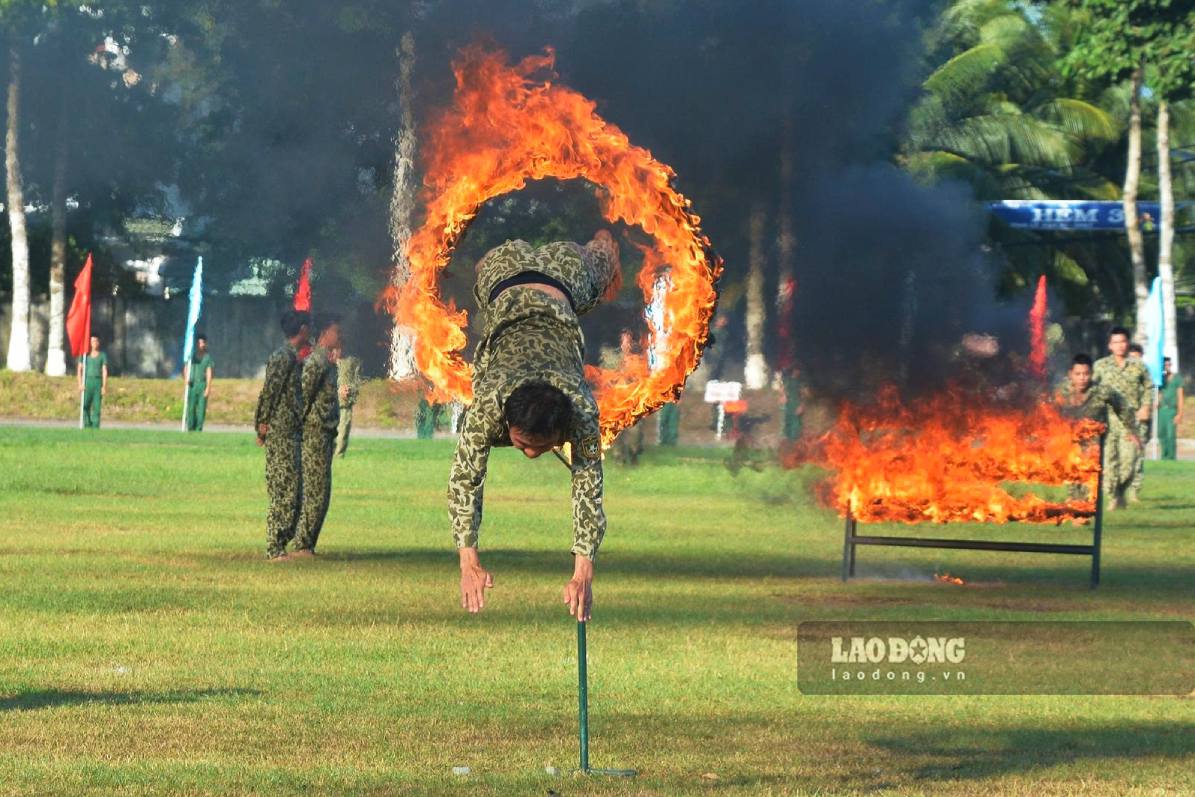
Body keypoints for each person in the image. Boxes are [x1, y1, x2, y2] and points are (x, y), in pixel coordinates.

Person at [451, 231, 621, 622]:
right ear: (506, 420)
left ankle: (602, 241)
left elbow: (588, 486)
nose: (529, 454)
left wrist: (583, 574)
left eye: (540, 447)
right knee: (486, 268)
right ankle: (596, 242)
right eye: (524, 444)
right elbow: (465, 480)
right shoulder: (490, 403)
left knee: (603, 262)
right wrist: (468, 562)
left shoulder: (579, 408)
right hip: (502, 273)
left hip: (567, 276)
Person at [254, 309, 310, 561]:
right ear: (302, 330)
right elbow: (269, 392)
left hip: (291, 431)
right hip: (281, 434)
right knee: (284, 489)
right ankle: (274, 547)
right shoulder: (283, 358)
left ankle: (280, 544)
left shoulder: (291, 357)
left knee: (292, 489)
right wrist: (262, 424)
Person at [1057, 353, 1141, 502]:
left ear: (1092, 374)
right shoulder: (1061, 391)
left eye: (1086, 374)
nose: (1082, 378)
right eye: (1078, 374)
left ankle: (1089, 502)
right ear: (1071, 374)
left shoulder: (1102, 391)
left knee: (1090, 471)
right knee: (1073, 472)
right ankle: (1076, 502)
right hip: (1069, 438)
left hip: (1095, 439)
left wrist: (1132, 430)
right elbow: (1048, 410)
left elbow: (1123, 408)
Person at [292, 314, 341, 557]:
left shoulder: (328, 362)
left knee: (322, 492)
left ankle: (307, 543)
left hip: (325, 435)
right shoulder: (316, 363)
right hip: (314, 435)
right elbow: (302, 398)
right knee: (315, 491)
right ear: (324, 333)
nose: (338, 334)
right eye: (335, 330)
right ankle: (302, 545)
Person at [1092, 327, 1150, 507]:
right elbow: (1092, 390)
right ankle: (1114, 496)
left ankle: (1121, 491)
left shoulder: (1138, 365)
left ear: (1128, 343)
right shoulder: (1100, 366)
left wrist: (1146, 406)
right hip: (1107, 420)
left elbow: (1150, 387)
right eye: (1115, 342)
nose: (1120, 346)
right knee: (1108, 463)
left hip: (1130, 421)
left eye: (1123, 341)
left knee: (1129, 462)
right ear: (1110, 345)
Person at [184, 333, 214, 432]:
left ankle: (198, 429)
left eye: (203, 342)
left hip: (202, 384)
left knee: (201, 409)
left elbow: (209, 372)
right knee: (191, 408)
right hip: (192, 385)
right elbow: (186, 367)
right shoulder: (191, 356)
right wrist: (186, 379)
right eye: (199, 342)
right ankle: (190, 428)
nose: (201, 344)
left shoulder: (207, 357)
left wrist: (208, 387)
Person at [77, 334, 108, 429]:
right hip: (87, 382)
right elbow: (79, 369)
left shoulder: (102, 356)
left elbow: (104, 370)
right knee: (84, 405)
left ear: (98, 343)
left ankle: (95, 427)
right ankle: (87, 424)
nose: (93, 344)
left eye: (95, 341)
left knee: (97, 407)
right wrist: (80, 383)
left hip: (97, 382)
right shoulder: (85, 356)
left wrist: (104, 386)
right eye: (91, 341)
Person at [334, 349, 361, 458]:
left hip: (344, 404)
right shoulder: (324, 364)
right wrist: (336, 391)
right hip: (327, 404)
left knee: (343, 432)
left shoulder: (351, 365)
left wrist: (349, 390)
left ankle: (338, 456)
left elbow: (357, 384)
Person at [1158, 357, 1185, 460]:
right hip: (1161, 411)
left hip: (1171, 410)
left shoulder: (1177, 378)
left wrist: (1180, 413)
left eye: (1168, 364)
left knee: (1170, 435)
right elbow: (1158, 395)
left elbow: (1180, 397)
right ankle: (1164, 457)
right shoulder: (1160, 379)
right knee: (1161, 434)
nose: (1167, 367)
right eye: (1165, 365)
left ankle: (1171, 457)